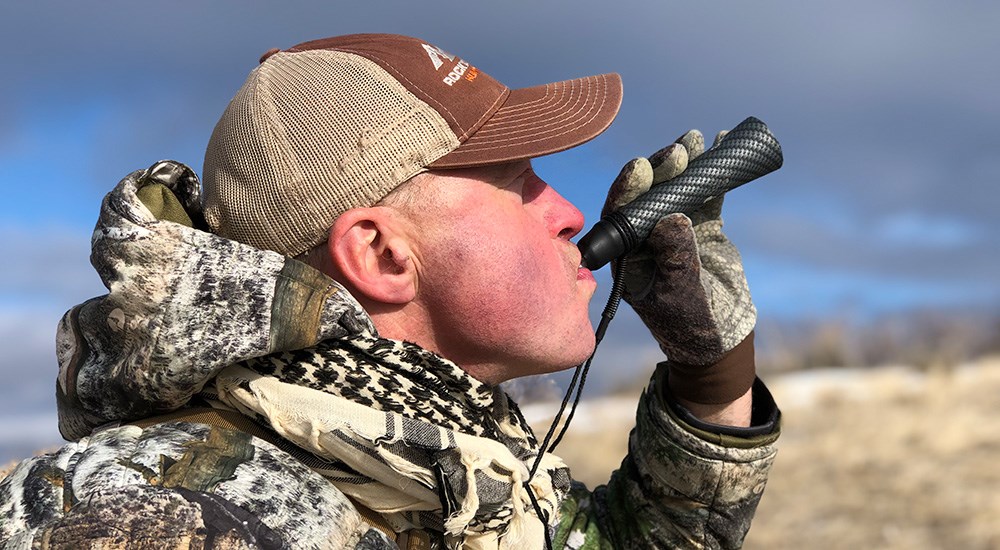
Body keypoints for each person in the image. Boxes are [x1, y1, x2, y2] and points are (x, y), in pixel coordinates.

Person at [0, 33, 779, 549]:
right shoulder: (161, 523)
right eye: (520, 182)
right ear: (380, 254)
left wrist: (711, 371)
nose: (571, 211)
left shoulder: (435, 472)